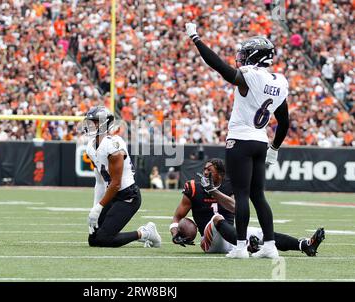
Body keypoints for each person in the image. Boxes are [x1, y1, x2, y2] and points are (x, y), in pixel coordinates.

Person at [186, 23, 290, 258]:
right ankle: (270, 246)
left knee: (242, 195)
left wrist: (195, 38)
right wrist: (274, 148)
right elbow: (284, 121)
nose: (241, 57)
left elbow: (219, 66)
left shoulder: (250, 76)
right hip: (261, 141)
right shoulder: (279, 81)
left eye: (245, 53)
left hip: (240, 140)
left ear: (255, 55)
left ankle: (241, 247)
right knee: (258, 195)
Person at [170, 158, 325, 256]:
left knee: (262, 233)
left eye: (209, 170)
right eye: (204, 169)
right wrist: (175, 233)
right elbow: (177, 217)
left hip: (232, 236)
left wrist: (213, 191)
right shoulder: (193, 187)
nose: (205, 172)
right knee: (217, 218)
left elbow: (235, 208)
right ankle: (247, 245)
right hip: (209, 241)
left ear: (220, 175)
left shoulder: (230, 185)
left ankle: (305, 245)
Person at [83, 106, 161, 248]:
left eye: (94, 121)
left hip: (127, 196)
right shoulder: (90, 146)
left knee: (104, 239)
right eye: (89, 121)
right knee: (93, 239)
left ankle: (145, 233)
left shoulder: (113, 145)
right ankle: (141, 233)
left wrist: (100, 207)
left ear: (104, 123)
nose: (90, 125)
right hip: (112, 194)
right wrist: (95, 207)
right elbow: (100, 181)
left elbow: (116, 183)